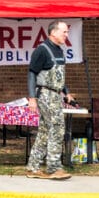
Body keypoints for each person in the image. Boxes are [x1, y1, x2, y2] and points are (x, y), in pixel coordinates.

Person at [26, 20, 75, 180]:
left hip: (56, 94)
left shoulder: (59, 51)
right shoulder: (42, 50)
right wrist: (32, 98)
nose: (66, 35)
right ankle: (54, 167)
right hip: (45, 94)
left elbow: (59, 77)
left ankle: (33, 168)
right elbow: (32, 73)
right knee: (57, 127)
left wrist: (66, 93)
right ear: (53, 32)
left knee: (45, 131)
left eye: (67, 32)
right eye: (64, 32)